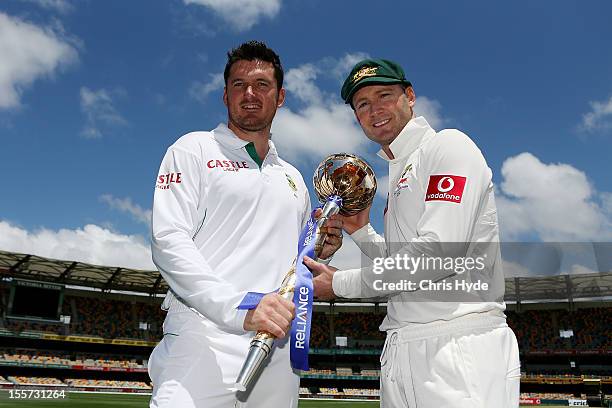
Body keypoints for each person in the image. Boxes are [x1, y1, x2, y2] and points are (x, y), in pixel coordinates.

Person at [306, 59, 520, 407]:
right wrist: (361, 231)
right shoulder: (400, 173)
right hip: (403, 346)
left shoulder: (448, 146)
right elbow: (404, 271)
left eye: (384, 95)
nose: (374, 109)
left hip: (457, 343)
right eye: (362, 104)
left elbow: (438, 255)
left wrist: (339, 284)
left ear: (410, 96)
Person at [148, 40, 342, 408]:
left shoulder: (293, 178)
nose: (249, 93)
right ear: (225, 96)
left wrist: (321, 244)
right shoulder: (193, 149)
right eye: (239, 85)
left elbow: (294, 259)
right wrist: (240, 306)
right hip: (203, 335)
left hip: (277, 342)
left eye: (262, 85)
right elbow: (168, 241)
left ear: (280, 97)